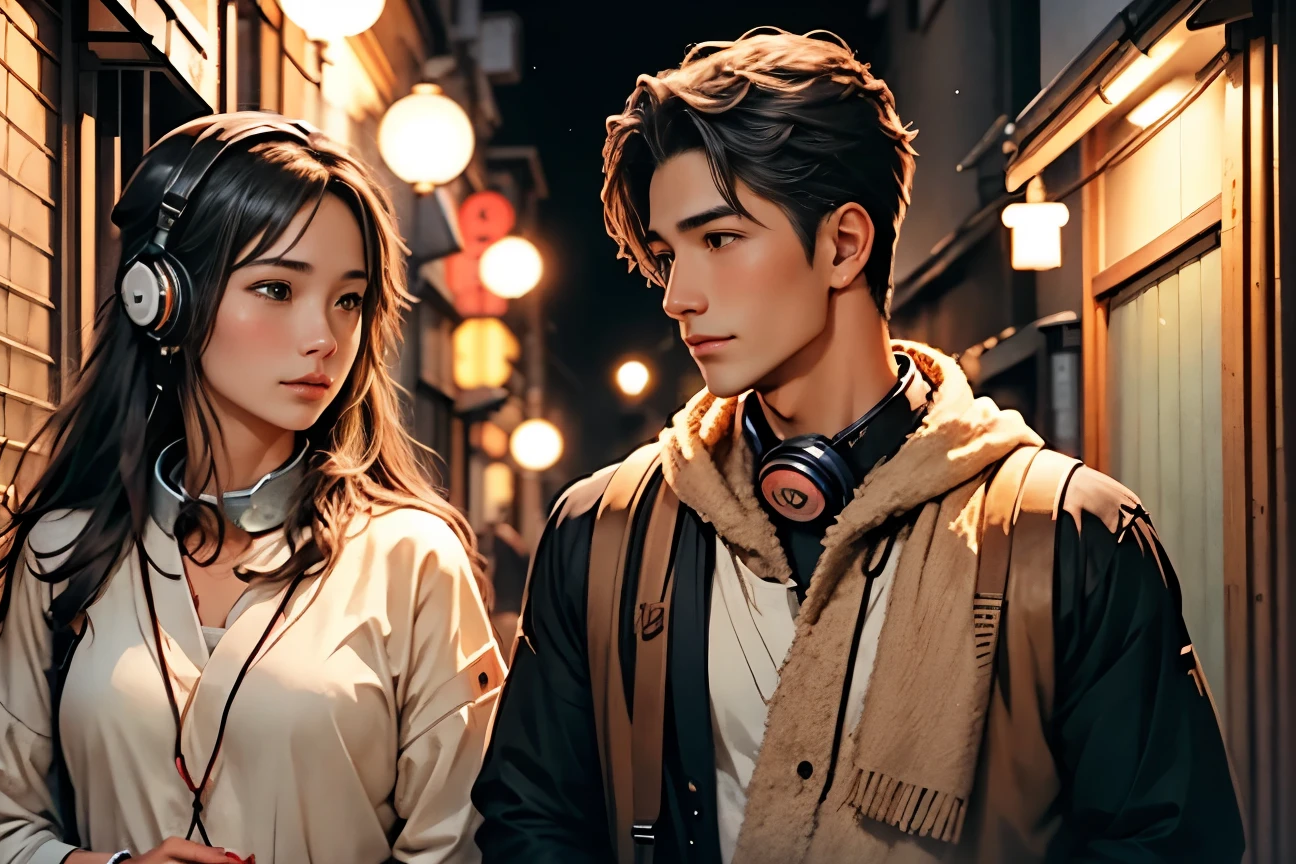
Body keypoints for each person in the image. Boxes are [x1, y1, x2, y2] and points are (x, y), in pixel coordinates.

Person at [471, 28, 1244, 864]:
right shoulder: (604, 531)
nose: (677, 296)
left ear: (844, 244)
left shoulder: (1070, 537)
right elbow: (532, 820)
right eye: (666, 255)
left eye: (720, 240)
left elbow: (1167, 844)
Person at [0, 113, 503, 864]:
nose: (324, 337)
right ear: (162, 298)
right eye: (276, 288)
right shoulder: (66, 552)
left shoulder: (412, 560)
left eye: (349, 299)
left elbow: (460, 848)